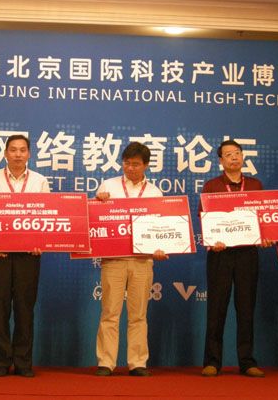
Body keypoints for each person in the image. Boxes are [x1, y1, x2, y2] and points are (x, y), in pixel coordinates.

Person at [94, 142, 168, 377]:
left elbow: (161, 227)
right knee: (110, 313)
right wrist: (98, 201)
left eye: (136, 164)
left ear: (146, 165)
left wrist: (160, 248)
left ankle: (137, 362)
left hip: (143, 261)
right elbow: (95, 218)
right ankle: (106, 362)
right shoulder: (109, 186)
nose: (130, 168)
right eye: (126, 163)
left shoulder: (155, 193)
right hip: (114, 260)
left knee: (138, 315)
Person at [0, 134, 50, 377]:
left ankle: (23, 363)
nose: (18, 154)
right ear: (5, 153)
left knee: (24, 309)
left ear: (29, 154)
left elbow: (46, 216)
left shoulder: (40, 181)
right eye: (13, 149)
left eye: (22, 150)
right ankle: (1, 363)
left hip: (28, 256)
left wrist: (40, 242)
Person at [200, 139, 269, 378]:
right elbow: (204, 218)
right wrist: (212, 240)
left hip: (248, 253)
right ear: (221, 160)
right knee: (216, 308)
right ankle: (212, 361)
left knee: (246, 308)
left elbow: (263, 217)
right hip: (220, 253)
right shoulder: (212, 186)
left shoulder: (255, 185)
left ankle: (247, 362)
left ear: (242, 157)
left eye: (237, 153)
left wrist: (265, 236)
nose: (234, 157)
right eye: (228, 154)